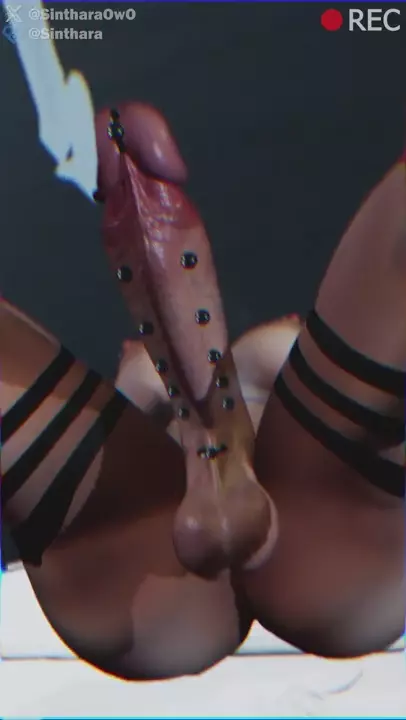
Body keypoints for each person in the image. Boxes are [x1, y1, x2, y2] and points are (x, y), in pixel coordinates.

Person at [1, 102, 404, 681]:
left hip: (147, 594)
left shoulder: (142, 386)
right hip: (333, 549)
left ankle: (210, 435)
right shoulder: (282, 354)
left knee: (116, 446)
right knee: (329, 399)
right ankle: (218, 429)